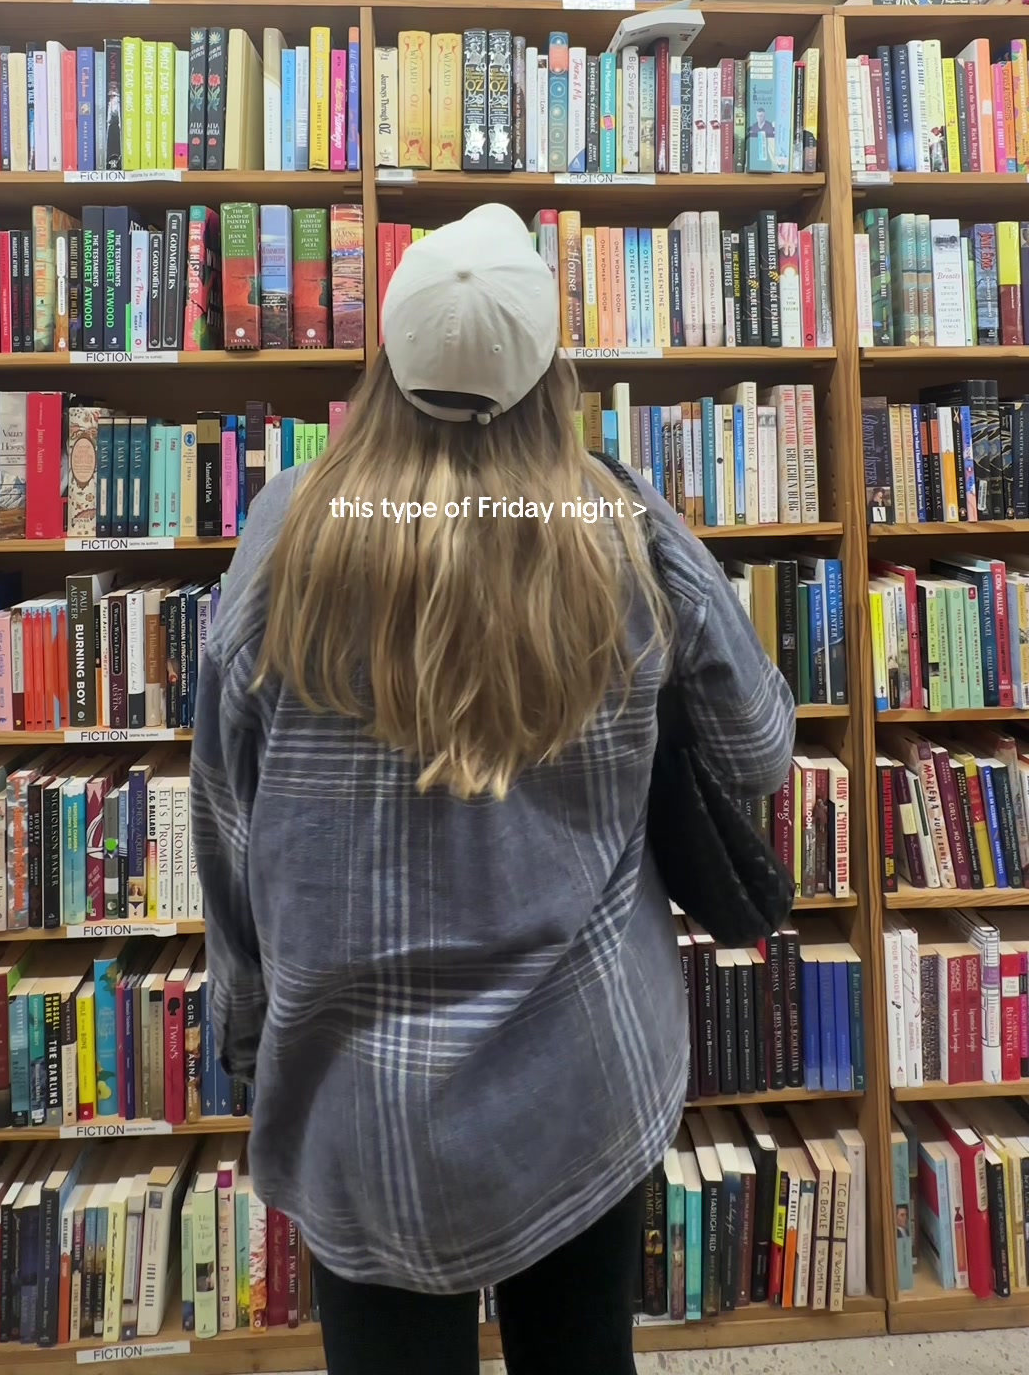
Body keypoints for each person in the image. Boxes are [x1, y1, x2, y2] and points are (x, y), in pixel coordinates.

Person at [190, 202, 794, 1375]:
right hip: (581, 1071)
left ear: (386, 362)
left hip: (355, 1096)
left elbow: (227, 817)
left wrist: (249, 1035)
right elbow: (758, 749)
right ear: (549, 377)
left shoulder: (286, 533)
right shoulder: (618, 527)